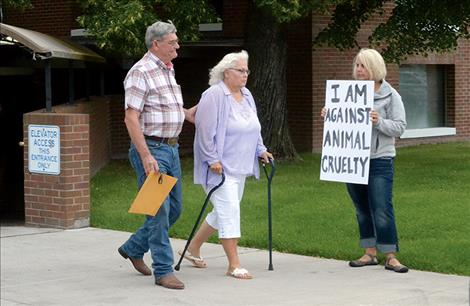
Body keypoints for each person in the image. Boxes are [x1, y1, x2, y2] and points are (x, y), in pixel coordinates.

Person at [180, 50, 273, 279]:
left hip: (240, 167)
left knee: (222, 211)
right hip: (219, 169)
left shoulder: (247, 95)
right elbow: (204, 131)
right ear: (226, 72)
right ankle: (234, 264)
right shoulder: (213, 95)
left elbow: (254, 127)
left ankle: (192, 248)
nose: (245, 75)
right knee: (230, 210)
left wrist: (261, 150)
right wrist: (212, 159)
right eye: (241, 70)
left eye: (247, 71)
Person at [118, 20, 193, 290]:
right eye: (172, 42)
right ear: (156, 44)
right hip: (154, 151)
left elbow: (164, 106)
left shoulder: (167, 70)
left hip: (171, 149)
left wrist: (187, 114)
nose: (177, 46)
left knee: (175, 209)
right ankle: (163, 270)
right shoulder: (141, 71)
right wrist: (146, 155)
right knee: (158, 211)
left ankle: (133, 247)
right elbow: (131, 117)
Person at [322, 48, 408, 273]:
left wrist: (378, 121)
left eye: (363, 65)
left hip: (380, 159)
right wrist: (331, 115)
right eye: (357, 65)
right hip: (352, 159)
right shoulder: (348, 93)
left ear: (375, 67)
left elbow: (400, 128)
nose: (359, 70)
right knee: (361, 208)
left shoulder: (391, 95)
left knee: (381, 207)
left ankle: (390, 255)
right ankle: (369, 253)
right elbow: (344, 127)